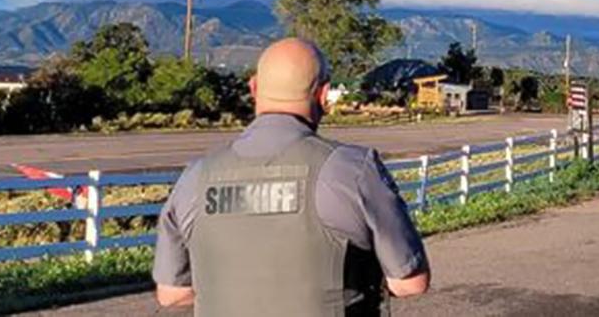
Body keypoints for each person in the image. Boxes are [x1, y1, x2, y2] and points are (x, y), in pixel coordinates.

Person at [153, 38, 430, 315]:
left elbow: (172, 293)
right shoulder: (353, 169)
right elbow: (410, 282)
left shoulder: (196, 177)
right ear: (324, 94)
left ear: (254, 87)